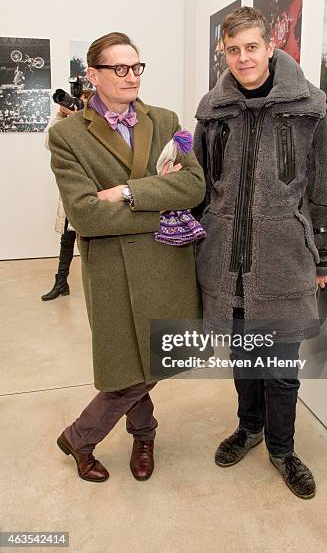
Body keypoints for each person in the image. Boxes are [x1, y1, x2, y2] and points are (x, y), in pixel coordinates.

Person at [193, 7, 327, 499]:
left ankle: (282, 449)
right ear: (225, 53)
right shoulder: (211, 110)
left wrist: (321, 257)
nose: (242, 58)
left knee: (280, 369)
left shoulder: (310, 107)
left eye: (251, 47)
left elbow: (324, 188)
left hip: (283, 258)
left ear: (270, 46)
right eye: (232, 50)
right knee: (243, 358)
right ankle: (248, 427)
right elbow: (200, 184)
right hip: (225, 260)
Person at [48, 32, 205, 483]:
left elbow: (193, 188)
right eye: (120, 68)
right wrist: (161, 208)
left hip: (166, 267)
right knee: (127, 363)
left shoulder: (166, 119)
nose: (131, 76)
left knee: (161, 357)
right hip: (112, 269)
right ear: (93, 75)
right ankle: (134, 434)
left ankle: (92, 435)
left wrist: (127, 192)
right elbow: (86, 215)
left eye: (137, 67)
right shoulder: (67, 136)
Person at [41, 94, 91, 302]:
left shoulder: (96, 125)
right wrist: (61, 117)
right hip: (71, 192)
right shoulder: (66, 124)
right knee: (67, 239)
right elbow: (48, 142)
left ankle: (98, 285)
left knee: (91, 242)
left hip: (92, 193)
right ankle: (61, 282)